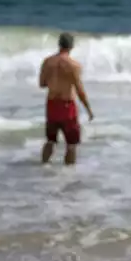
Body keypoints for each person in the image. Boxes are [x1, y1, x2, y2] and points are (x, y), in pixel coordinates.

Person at [39, 32, 94, 166]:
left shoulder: (47, 62)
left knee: (50, 140)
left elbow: (42, 84)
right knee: (71, 144)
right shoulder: (74, 65)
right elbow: (80, 90)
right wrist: (88, 109)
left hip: (51, 104)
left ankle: (42, 167)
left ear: (59, 44)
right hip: (67, 106)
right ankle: (69, 174)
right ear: (71, 46)